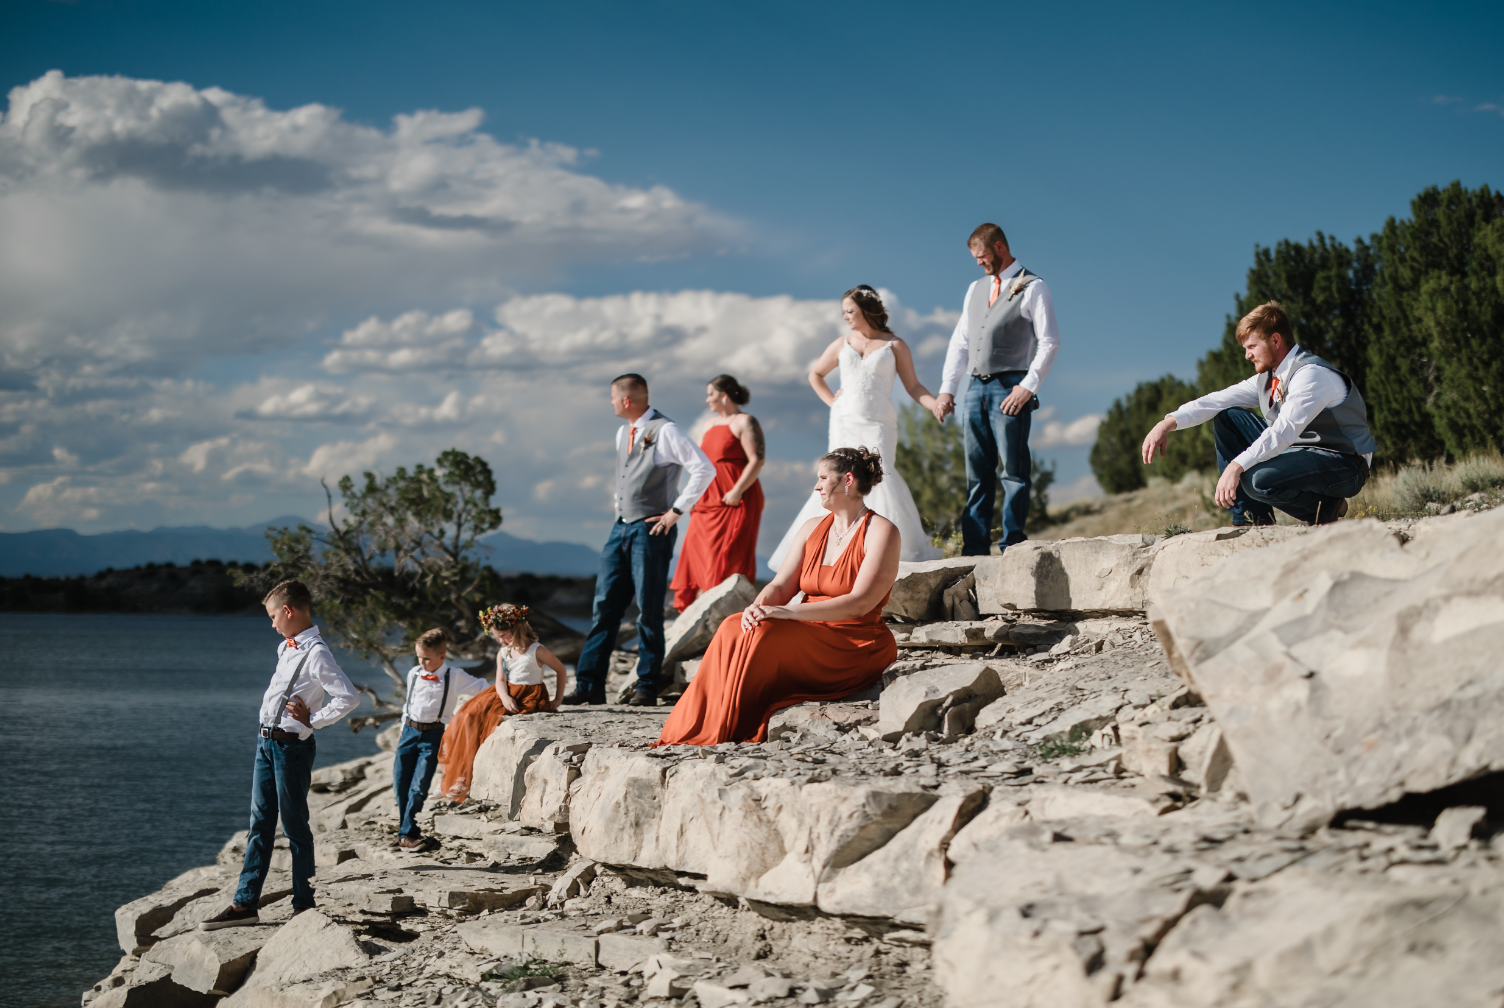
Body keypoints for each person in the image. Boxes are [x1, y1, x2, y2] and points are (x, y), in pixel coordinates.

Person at [659, 447, 900, 746]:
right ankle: (702, 727)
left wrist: (787, 613)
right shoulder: (812, 528)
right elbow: (782, 584)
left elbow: (860, 603)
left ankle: (732, 726)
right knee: (735, 625)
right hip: (810, 629)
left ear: (847, 480)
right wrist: (757, 607)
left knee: (764, 635)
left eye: (823, 478)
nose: (817, 485)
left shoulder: (881, 531)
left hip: (855, 641)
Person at [200, 579, 358, 930]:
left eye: (273, 616)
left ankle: (303, 904)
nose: (271, 623)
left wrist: (313, 719)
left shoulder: (316, 651)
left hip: (291, 748)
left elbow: (348, 697)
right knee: (259, 824)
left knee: (295, 826)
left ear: (288, 611)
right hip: (265, 745)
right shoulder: (285, 648)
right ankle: (245, 905)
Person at [1140, 301, 1374, 525]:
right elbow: (1216, 400)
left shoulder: (1310, 375)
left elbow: (1282, 433)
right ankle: (1253, 519)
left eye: (1252, 347)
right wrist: (1167, 423)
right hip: (1301, 450)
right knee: (1228, 417)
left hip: (1344, 463)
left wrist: (1235, 466)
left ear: (1275, 340)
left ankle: (1326, 509)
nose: (1247, 355)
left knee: (1256, 479)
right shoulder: (1268, 379)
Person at [767, 286, 942, 571]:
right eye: (844, 312)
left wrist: (934, 404)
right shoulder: (841, 343)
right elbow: (815, 374)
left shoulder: (895, 345)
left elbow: (913, 385)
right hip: (844, 420)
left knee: (879, 474)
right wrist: (831, 402)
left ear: (866, 310)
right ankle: (831, 550)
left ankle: (882, 552)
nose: (846, 317)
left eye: (850, 311)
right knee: (838, 475)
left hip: (879, 421)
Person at [570, 374, 715, 707]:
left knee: (649, 609)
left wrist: (675, 512)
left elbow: (703, 468)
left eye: (612, 397)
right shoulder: (623, 433)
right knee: (604, 607)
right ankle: (589, 685)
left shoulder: (667, 431)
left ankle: (646, 686)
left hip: (652, 531)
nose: (609, 403)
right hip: (620, 528)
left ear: (626, 401)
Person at [934, 223, 1060, 556]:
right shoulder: (975, 289)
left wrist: (1027, 387)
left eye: (983, 256)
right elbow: (960, 343)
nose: (978, 262)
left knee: (1014, 472)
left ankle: (1012, 545)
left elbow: (1049, 343)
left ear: (1000, 247)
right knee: (977, 473)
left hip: (1010, 386)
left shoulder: (1034, 287)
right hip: (974, 388)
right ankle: (974, 550)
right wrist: (948, 389)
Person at [436, 604, 566, 802]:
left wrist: (557, 699)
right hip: (507, 692)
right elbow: (499, 680)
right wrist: (505, 697)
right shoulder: (503, 652)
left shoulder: (536, 650)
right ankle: (454, 776)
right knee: (466, 714)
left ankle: (463, 777)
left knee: (481, 719)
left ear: (518, 629)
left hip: (530, 695)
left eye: (504, 635)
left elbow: (561, 670)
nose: (501, 640)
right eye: (497, 636)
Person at [670, 374, 766, 612]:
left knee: (728, 555)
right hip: (707, 498)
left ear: (724, 395)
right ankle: (699, 610)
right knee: (697, 551)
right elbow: (700, 465)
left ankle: (728, 612)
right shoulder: (708, 425)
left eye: (710, 394)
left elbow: (757, 460)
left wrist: (736, 491)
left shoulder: (745, 421)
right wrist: (693, 496)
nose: (707, 400)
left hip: (736, 498)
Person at [390, 628, 489, 851]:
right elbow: (408, 702)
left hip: (432, 735)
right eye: (419, 657)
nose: (421, 662)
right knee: (400, 784)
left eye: (426, 658)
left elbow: (484, 688)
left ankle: (406, 833)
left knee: (419, 787)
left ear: (442, 656)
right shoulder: (414, 673)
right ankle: (407, 832)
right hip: (407, 732)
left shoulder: (454, 676)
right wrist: (402, 725)